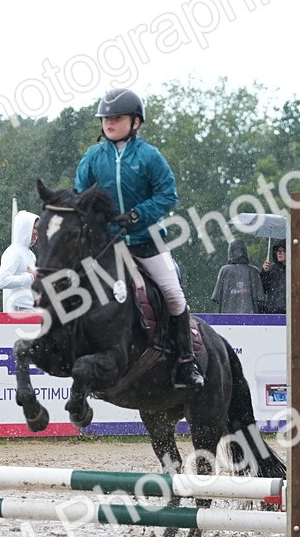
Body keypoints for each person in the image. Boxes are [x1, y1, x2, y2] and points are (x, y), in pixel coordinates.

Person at [75, 87, 203, 388]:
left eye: (116, 118)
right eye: (105, 118)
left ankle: (186, 361)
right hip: (108, 244)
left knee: (173, 295)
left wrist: (136, 215)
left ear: (135, 122)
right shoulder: (93, 157)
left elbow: (167, 195)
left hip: (147, 241)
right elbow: (81, 195)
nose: (108, 123)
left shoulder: (149, 156)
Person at [0, 211, 38, 313]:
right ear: (25, 227)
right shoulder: (14, 252)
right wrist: (30, 277)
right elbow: (2, 281)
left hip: (31, 310)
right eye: (34, 227)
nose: (37, 232)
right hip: (18, 311)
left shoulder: (30, 254)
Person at [211, 239, 264, 314]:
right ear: (245, 252)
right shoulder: (254, 271)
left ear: (230, 252)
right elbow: (260, 298)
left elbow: (216, 297)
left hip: (227, 318)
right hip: (250, 318)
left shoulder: (224, 270)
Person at [259, 243, 287, 314]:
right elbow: (264, 289)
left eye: (283, 250)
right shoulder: (272, 269)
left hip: (289, 310)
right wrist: (265, 273)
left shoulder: (295, 269)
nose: (279, 253)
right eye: (278, 250)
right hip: (273, 310)